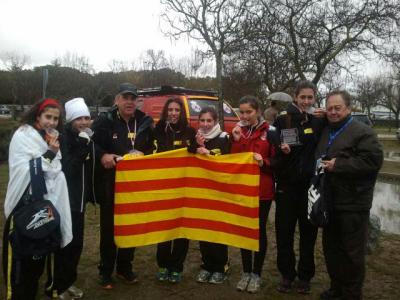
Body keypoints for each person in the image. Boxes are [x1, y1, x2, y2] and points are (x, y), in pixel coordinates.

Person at [2, 98, 72, 300]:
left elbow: (53, 169)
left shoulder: (46, 138)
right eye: (48, 117)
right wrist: (50, 153)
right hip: (23, 208)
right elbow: (28, 170)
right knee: (20, 267)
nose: (51, 122)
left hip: (41, 210)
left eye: (56, 119)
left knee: (36, 262)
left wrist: (51, 153)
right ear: (38, 116)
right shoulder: (24, 135)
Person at [316, 90, 383, 300]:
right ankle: (336, 288)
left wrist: (340, 165)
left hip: (353, 203)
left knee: (352, 254)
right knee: (331, 249)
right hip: (330, 201)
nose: (333, 112)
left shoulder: (363, 132)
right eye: (330, 108)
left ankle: (351, 294)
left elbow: (373, 162)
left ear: (349, 109)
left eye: (338, 108)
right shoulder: (328, 129)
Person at [92, 83, 154, 289]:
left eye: (132, 98)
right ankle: (106, 271)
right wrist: (103, 155)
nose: (129, 102)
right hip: (111, 184)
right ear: (116, 100)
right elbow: (92, 145)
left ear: (137, 101)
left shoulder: (145, 121)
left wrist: (145, 154)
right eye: (125, 98)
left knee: (131, 227)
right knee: (109, 230)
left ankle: (124, 268)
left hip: (135, 186)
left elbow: (153, 147)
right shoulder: (104, 121)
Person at [272, 80, 325, 294]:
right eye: (302, 97)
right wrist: (280, 150)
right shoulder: (282, 119)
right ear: (295, 97)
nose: (305, 101)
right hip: (286, 187)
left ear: (314, 98)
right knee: (284, 233)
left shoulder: (319, 121)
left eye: (309, 97)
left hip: (309, 187)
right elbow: (271, 144)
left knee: (308, 234)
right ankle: (287, 274)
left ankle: (305, 276)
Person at [45, 98, 95, 299]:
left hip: (80, 202)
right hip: (65, 202)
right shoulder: (65, 138)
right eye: (79, 118)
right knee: (64, 245)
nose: (84, 122)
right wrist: (83, 147)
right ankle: (56, 286)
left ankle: (68, 283)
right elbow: (67, 170)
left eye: (87, 118)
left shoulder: (86, 137)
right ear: (71, 120)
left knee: (76, 245)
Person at [231, 95, 275, 294]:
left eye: (249, 111)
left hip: (262, 190)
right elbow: (233, 160)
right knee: (243, 231)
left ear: (257, 111)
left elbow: (278, 162)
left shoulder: (270, 132)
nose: (245, 115)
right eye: (242, 112)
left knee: (258, 231)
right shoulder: (237, 131)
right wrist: (237, 140)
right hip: (242, 190)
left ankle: (257, 274)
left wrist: (263, 162)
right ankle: (246, 272)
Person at [153, 98, 196, 283]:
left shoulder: (190, 131)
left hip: (184, 189)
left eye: (177, 110)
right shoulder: (157, 130)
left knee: (181, 229)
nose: (173, 113)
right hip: (163, 188)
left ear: (182, 112)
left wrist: (197, 146)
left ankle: (176, 267)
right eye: (170, 109)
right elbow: (149, 154)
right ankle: (163, 265)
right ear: (165, 112)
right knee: (164, 228)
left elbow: (195, 153)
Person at [187, 107, 231, 284]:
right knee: (204, 230)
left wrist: (210, 153)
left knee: (218, 230)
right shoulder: (197, 137)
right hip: (201, 192)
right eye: (202, 120)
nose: (205, 124)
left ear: (215, 122)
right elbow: (188, 153)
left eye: (209, 121)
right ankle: (206, 265)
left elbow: (229, 162)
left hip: (219, 192)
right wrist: (197, 146)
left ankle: (221, 266)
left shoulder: (224, 137)